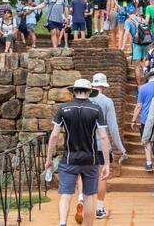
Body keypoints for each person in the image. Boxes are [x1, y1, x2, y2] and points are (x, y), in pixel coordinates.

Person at [45, 79, 111, 226]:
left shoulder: (64, 108)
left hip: (69, 159)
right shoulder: (96, 109)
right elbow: (104, 136)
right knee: (89, 196)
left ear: (74, 91)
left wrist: (49, 159)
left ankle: (62, 223)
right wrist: (106, 163)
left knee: (65, 195)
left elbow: (54, 135)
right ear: (89, 92)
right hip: (90, 159)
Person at [76, 73, 127, 220]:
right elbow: (112, 127)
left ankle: (81, 198)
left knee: (81, 173)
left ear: (92, 85)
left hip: (82, 144)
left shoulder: (83, 99)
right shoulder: (106, 102)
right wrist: (121, 148)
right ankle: (98, 209)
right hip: (100, 145)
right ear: (104, 86)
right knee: (101, 176)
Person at [131, 68, 154, 172]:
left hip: (146, 118)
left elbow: (138, 106)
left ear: (149, 76)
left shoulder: (142, 88)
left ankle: (149, 163)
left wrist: (133, 120)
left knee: (147, 141)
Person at [125, 8, 152, 83]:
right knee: (145, 62)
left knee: (137, 67)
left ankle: (139, 86)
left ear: (128, 14)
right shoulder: (142, 19)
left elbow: (126, 33)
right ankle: (148, 81)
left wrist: (122, 46)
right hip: (146, 43)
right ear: (135, 13)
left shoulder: (128, 21)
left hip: (137, 44)